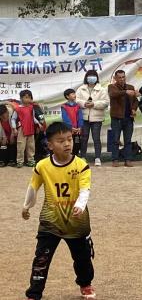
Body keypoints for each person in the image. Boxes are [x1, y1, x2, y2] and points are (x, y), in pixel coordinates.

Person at [21, 122, 96, 300]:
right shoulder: (42, 166)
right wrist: (26, 205)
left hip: (76, 221)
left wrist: (80, 205)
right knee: (41, 258)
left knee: (82, 257)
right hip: (50, 220)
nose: (67, 144)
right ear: (50, 145)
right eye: (61, 141)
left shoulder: (81, 165)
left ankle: (85, 284)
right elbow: (33, 187)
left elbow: (85, 189)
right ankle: (34, 293)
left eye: (69, 139)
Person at [76, 70, 109, 166]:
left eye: (93, 76)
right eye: (89, 76)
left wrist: (94, 104)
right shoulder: (81, 89)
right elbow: (76, 100)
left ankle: (97, 158)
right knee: (84, 138)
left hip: (97, 118)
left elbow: (106, 102)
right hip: (84, 118)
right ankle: (83, 157)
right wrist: (84, 103)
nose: (91, 78)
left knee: (96, 138)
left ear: (96, 78)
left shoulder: (101, 89)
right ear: (86, 78)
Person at [108, 70, 139, 167]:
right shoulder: (111, 87)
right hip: (116, 118)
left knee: (128, 140)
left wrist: (134, 109)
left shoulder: (130, 87)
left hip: (128, 118)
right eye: (119, 77)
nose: (122, 79)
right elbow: (113, 94)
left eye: (123, 77)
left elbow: (135, 101)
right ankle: (115, 159)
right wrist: (125, 92)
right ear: (115, 78)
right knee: (115, 140)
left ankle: (128, 159)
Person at [12, 90, 41, 168]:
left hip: (30, 129)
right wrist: (14, 128)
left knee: (31, 146)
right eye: (26, 97)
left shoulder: (31, 108)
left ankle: (31, 161)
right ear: (21, 98)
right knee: (21, 146)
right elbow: (13, 119)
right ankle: (20, 161)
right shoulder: (17, 109)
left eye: (29, 97)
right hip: (21, 130)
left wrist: (38, 123)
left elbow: (33, 117)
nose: (28, 99)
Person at [60, 88, 84, 156]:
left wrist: (80, 127)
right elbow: (65, 118)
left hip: (77, 130)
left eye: (74, 94)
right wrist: (70, 127)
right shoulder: (64, 106)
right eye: (72, 94)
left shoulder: (78, 106)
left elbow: (80, 117)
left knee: (77, 143)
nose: (74, 95)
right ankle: (69, 156)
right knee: (69, 142)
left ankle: (76, 155)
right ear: (67, 96)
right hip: (69, 129)